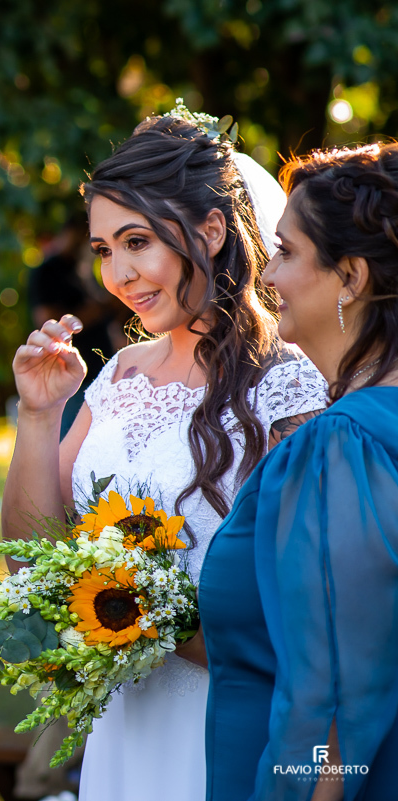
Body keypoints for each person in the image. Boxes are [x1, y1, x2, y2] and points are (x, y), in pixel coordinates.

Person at [0, 107, 327, 801]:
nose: (117, 273)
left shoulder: (289, 385)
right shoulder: (118, 376)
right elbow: (30, 560)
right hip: (124, 724)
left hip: (226, 720)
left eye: (137, 241)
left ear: (211, 230)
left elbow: (304, 603)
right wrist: (39, 412)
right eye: (102, 250)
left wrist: (141, 612)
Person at [202, 143, 398, 800]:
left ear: (351, 277)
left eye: (285, 251)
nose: (267, 277)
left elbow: (333, 701)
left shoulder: (342, 443)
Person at [27, 214, 126, 434]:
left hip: (100, 371)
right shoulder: (47, 270)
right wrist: (102, 309)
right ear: (71, 233)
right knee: (67, 447)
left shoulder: (81, 269)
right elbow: (47, 319)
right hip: (72, 376)